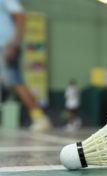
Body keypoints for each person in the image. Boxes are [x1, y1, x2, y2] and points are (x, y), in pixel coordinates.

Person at [0, 0, 51, 131]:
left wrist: (13, 43)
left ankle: (39, 117)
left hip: (6, 47)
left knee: (14, 81)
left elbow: (20, 16)